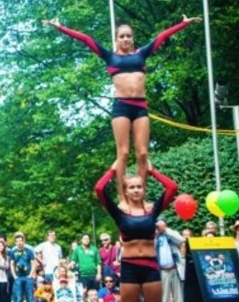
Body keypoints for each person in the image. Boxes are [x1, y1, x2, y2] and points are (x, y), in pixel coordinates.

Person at [44, 15, 201, 193]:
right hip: (121, 107)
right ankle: (122, 196)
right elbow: (86, 39)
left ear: (133, 39)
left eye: (129, 36)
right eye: (122, 36)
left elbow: (162, 37)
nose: (126, 39)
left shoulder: (142, 53)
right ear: (116, 40)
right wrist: (60, 27)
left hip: (141, 106)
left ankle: (140, 194)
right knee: (123, 153)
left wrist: (184, 24)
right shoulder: (109, 56)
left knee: (142, 154)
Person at [95, 160, 178, 302]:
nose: (136, 190)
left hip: (151, 268)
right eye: (131, 187)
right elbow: (99, 190)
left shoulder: (152, 211)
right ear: (126, 191)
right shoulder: (119, 214)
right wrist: (112, 170)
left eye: (139, 187)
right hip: (130, 269)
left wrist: (152, 171)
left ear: (143, 190)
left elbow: (172, 188)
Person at [155, 217, 186, 302]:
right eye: (158, 226)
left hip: (175, 269)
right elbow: (151, 248)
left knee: (179, 300)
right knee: (163, 301)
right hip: (162, 271)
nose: (160, 228)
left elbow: (181, 239)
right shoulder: (155, 237)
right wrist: (155, 234)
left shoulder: (171, 234)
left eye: (162, 225)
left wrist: (166, 230)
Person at [9, 232, 38, 302]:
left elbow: (34, 263)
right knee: (18, 298)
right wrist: (14, 275)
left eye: (21, 241)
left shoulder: (29, 251)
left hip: (27, 277)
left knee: (30, 298)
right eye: (17, 241)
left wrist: (31, 274)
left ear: (23, 241)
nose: (19, 243)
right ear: (15, 242)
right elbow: (12, 264)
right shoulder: (13, 252)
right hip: (18, 278)